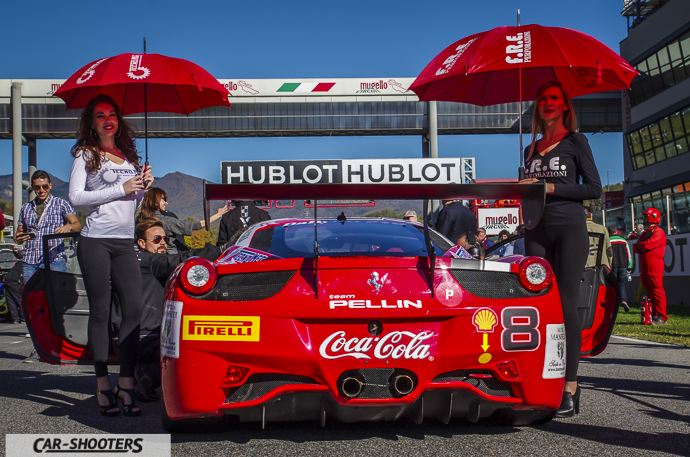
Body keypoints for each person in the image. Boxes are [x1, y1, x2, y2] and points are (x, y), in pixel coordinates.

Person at [519, 81, 602, 418]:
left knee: (565, 305)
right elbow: (530, 191)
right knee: (537, 304)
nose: (548, 102)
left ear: (565, 106)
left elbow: (594, 188)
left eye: (555, 98)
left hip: (569, 229)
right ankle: (540, 379)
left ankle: (570, 385)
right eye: (543, 98)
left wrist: (550, 186)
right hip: (535, 229)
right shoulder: (529, 149)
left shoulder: (575, 142)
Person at [68, 94, 153, 417]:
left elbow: (132, 200)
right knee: (101, 312)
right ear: (91, 122)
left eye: (112, 114)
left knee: (133, 311)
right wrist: (123, 188)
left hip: (123, 241)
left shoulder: (128, 155)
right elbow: (77, 199)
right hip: (95, 241)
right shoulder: (86, 154)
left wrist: (143, 185)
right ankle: (103, 384)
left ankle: (126, 384)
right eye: (100, 115)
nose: (107, 119)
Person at [132, 218, 224, 401]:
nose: (163, 243)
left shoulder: (135, 258)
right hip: (145, 334)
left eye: (165, 239)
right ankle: (146, 373)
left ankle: (139, 371)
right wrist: (219, 250)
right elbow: (178, 260)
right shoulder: (148, 260)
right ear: (141, 243)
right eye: (157, 239)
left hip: (139, 331)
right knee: (190, 356)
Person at [14, 170, 81, 282]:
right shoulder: (25, 207)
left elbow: (77, 225)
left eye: (44, 186)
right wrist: (18, 239)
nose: (41, 190)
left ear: (50, 185)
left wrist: (68, 227)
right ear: (32, 187)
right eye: (37, 187)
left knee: (55, 296)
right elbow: (19, 234)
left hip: (54, 260)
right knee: (32, 297)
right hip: (30, 261)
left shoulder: (61, 204)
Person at [137, 187, 227, 254]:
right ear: (155, 201)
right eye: (164, 199)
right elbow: (196, 225)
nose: (166, 203)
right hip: (169, 257)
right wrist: (219, 214)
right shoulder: (166, 221)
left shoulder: (139, 219)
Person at [634, 208, 668, 325]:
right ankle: (654, 314)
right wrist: (640, 246)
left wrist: (640, 245)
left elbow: (647, 245)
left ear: (651, 217)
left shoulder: (658, 232)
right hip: (645, 264)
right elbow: (636, 247)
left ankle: (661, 316)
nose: (643, 218)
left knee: (657, 289)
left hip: (654, 263)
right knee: (649, 289)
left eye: (645, 216)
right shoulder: (645, 232)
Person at [609, 225, 632, 312]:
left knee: (613, 285)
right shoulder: (624, 241)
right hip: (623, 265)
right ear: (616, 232)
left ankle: (614, 303)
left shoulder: (609, 241)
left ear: (609, 232)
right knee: (621, 284)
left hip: (613, 265)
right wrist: (629, 266)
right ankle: (623, 300)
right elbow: (628, 254)